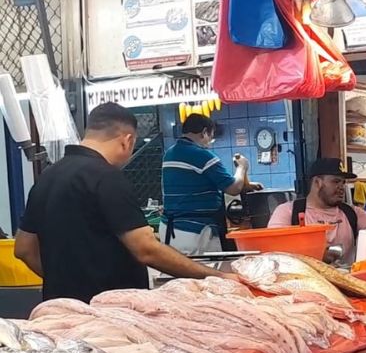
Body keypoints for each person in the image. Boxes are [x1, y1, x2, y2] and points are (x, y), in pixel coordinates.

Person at [15, 102, 226, 302]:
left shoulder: (47, 176)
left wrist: (64, 283)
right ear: (127, 140)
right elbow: (146, 249)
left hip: (60, 309)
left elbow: (24, 248)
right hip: (111, 314)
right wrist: (216, 277)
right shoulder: (107, 177)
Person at [160, 113, 260, 255]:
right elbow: (233, 188)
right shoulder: (201, 155)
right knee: (204, 275)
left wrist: (248, 184)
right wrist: (242, 167)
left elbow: (194, 183)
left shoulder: (170, 154)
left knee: (179, 275)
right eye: (211, 137)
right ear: (204, 132)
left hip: (170, 229)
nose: (209, 142)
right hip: (193, 232)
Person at [268, 158, 366, 261]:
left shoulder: (352, 212)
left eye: (343, 182)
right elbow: (272, 248)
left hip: (346, 281)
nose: (342, 187)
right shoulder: (287, 212)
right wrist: (315, 253)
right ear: (317, 182)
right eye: (336, 181)